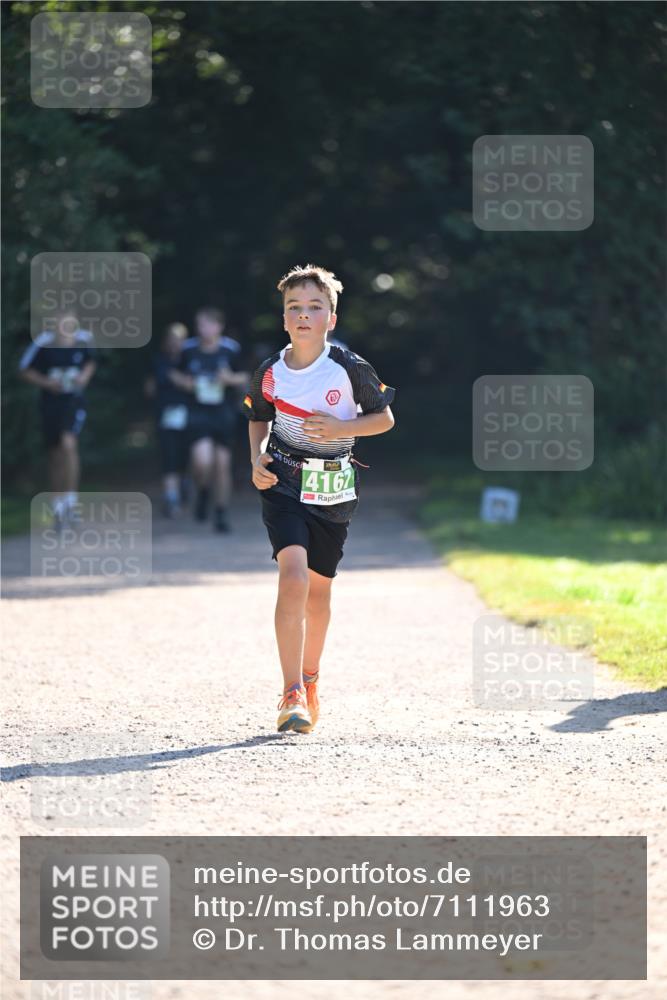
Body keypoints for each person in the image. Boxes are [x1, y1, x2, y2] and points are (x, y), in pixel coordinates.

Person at [243, 264, 395, 733]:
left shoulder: (350, 368)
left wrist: (344, 429)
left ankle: (310, 679)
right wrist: (256, 461)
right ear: (284, 317)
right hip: (284, 483)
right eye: (294, 308)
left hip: (333, 489)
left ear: (331, 316)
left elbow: (384, 418)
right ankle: (290, 694)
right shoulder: (270, 371)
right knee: (293, 578)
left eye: (315, 307)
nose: (304, 315)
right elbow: (257, 418)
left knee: (319, 590)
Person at [170, 307, 248, 532]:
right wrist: (185, 383)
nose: (204, 329)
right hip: (197, 412)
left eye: (208, 324)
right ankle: (203, 491)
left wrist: (229, 379)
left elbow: (244, 376)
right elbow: (173, 373)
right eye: (200, 325)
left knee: (222, 465)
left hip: (223, 412)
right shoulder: (188, 349)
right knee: (203, 461)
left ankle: (221, 512)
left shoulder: (230, 349)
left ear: (218, 326)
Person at [19, 311, 97, 527]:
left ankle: (71, 501)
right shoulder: (43, 344)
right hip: (50, 405)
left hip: (73, 403)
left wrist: (84, 377)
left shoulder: (83, 341)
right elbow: (25, 370)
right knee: (54, 456)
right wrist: (46, 383)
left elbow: (91, 363)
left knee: (69, 445)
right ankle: (58, 505)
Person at [144, 322, 190, 518]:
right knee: (169, 456)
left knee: (186, 456)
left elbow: (193, 385)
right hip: (165, 415)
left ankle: (185, 486)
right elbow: (149, 388)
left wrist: (178, 379)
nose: (174, 344)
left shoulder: (190, 360)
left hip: (190, 415)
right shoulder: (158, 361)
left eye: (179, 340)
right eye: (171, 340)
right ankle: (172, 498)